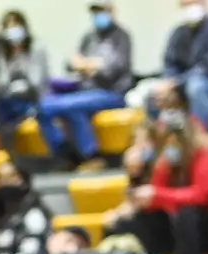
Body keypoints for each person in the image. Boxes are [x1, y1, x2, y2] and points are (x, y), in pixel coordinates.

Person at [109, 85, 208, 254]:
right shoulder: (166, 158)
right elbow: (156, 192)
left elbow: (201, 195)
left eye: (174, 140)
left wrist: (156, 195)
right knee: (133, 221)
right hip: (179, 226)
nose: (170, 145)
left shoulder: (207, 152)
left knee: (186, 213)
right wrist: (135, 189)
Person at [37, 3, 135, 167]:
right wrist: (84, 65)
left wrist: (90, 66)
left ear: (112, 12)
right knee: (66, 110)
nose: (99, 16)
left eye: (102, 11)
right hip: (85, 91)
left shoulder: (122, 36)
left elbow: (116, 69)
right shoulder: (89, 37)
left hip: (111, 93)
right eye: (95, 13)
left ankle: (79, 154)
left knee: (47, 106)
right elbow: (73, 63)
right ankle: (82, 156)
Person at [158, 0, 208, 133]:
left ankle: (202, 141)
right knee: (154, 95)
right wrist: (168, 83)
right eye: (185, 4)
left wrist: (181, 81)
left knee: (196, 86)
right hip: (185, 85)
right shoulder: (178, 33)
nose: (190, 7)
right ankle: (163, 145)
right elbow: (170, 65)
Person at [0, 11, 49, 131]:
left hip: (35, 96)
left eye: (16, 25)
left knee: (19, 98)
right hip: (11, 98)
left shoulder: (36, 48)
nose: (13, 30)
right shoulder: (3, 53)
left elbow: (36, 82)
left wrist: (21, 56)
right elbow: (4, 80)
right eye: (9, 27)